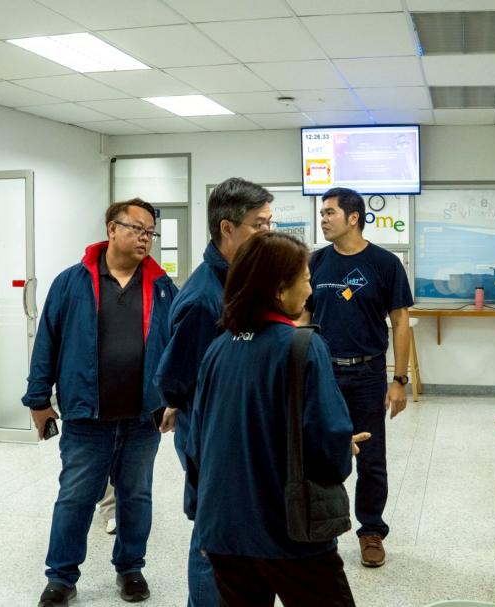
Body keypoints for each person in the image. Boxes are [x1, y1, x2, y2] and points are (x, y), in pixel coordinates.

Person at [186, 231, 365, 607]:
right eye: (305, 279)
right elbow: (328, 438)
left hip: (223, 530)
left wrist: (201, 516)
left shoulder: (218, 349)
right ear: (279, 289)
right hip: (287, 529)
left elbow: (198, 442)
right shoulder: (303, 346)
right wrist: (341, 449)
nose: (310, 290)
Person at [23, 198, 176, 606]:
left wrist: (175, 398)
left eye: (150, 232)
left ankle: (131, 569)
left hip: (143, 418)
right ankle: (61, 577)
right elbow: (47, 341)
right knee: (75, 497)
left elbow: (176, 347)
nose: (145, 238)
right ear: (112, 229)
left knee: (136, 497)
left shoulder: (162, 286)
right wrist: (38, 399)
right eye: (137, 229)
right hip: (86, 417)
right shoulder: (71, 283)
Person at [154, 177, 274, 607]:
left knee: (233, 532)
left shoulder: (239, 280)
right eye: (259, 224)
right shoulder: (205, 298)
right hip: (209, 432)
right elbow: (175, 376)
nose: (267, 232)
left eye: (269, 222)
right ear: (227, 227)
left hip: (232, 426)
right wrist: (177, 403)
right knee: (212, 535)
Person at [305, 187, 413, 568]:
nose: (323, 219)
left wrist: (399, 380)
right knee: (320, 453)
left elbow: (400, 322)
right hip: (323, 373)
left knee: (371, 457)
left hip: (368, 373)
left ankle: (371, 531)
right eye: (322, 213)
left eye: (329, 212)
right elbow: (302, 316)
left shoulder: (385, 264)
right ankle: (323, 529)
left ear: (353, 218)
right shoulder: (316, 262)